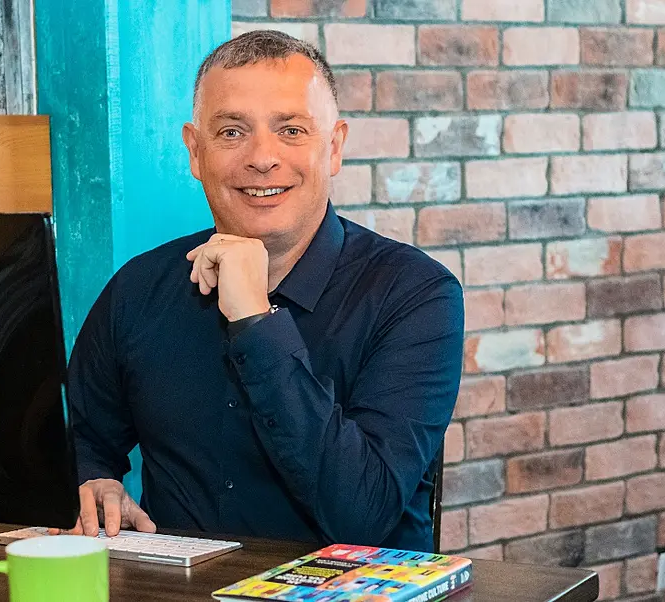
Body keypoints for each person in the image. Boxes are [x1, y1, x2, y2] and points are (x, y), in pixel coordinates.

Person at [58, 29, 464, 552]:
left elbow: (362, 515)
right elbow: (81, 439)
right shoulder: (140, 287)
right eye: (231, 133)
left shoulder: (414, 296)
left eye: (291, 130)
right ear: (195, 152)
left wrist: (256, 317)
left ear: (334, 147)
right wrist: (95, 481)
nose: (262, 158)